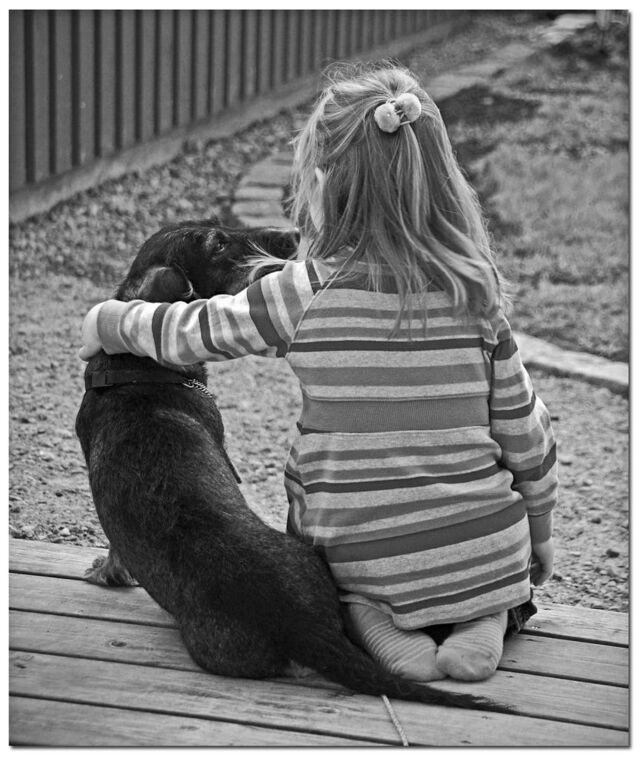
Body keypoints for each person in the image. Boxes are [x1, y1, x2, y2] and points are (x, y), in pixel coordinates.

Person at [80, 62, 557, 683]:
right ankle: (486, 615)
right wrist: (540, 533)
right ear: (443, 181)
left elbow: (197, 330)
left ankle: (372, 619)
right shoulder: (476, 295)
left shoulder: (303, 293)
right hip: (485, 551)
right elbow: (527, 433)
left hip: (360, 558)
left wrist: (112, 320)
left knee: (341, 570)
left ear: (323, 182)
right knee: (496, 568)